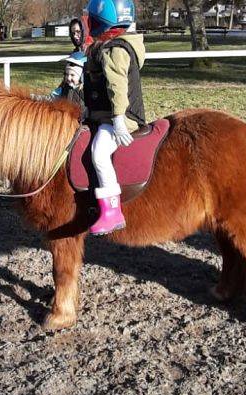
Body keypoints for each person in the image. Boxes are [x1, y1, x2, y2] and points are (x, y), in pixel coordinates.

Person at [83, 0, 146, 235]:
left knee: (99, 152)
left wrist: (119, 120)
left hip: (121, 117)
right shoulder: (114, 46)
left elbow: (117, 87)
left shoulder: (115, 50)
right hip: (107, 115)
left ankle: (112, 211)